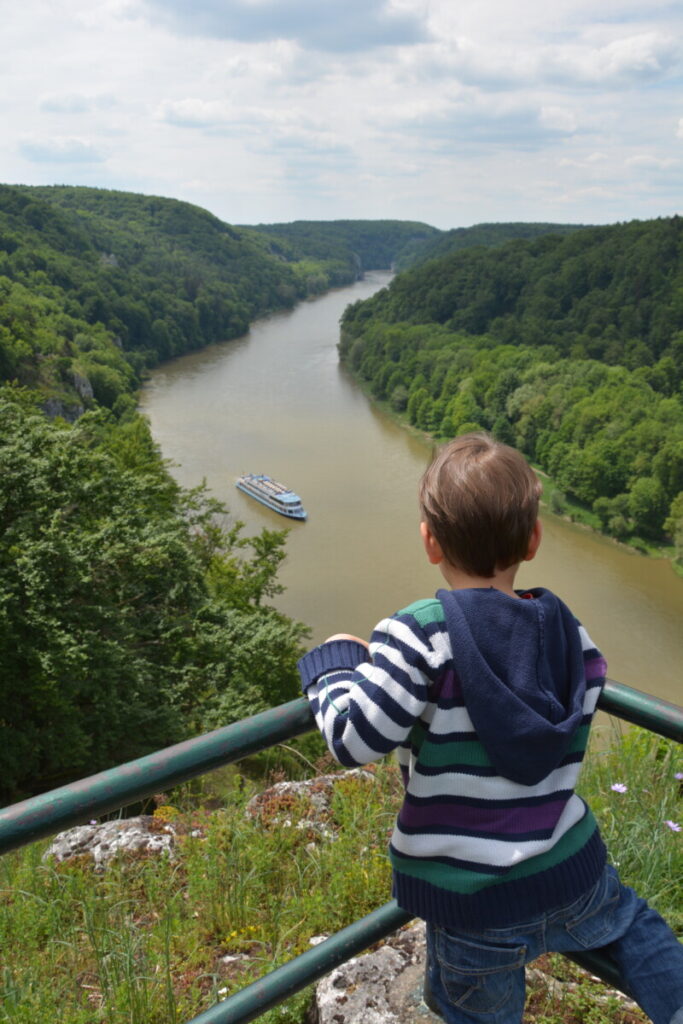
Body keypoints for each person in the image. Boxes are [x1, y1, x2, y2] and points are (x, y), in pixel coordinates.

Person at [297, 432, 683, 1024]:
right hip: (571, 872)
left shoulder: (420, 635)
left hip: (474, 905)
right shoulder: (564, 627)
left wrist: (334, 668)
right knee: (635, 927)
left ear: (430, 541)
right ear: (534, 537)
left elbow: (354, 740)